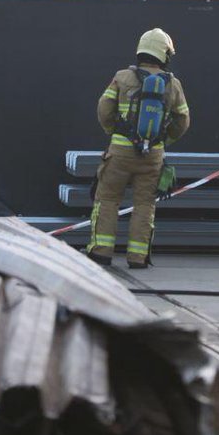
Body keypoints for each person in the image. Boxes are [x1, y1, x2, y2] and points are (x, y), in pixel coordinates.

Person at [88, 28, 190, 269]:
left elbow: (104, 109)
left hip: (120, 154)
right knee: (145, 204)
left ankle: (101, 252)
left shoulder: (122, 77)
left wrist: (115, 132)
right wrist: (164, 141)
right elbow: (183, 120)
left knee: (108, 200)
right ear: (164, 54)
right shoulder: (172, 84)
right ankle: (137, 257)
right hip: (152, 156)